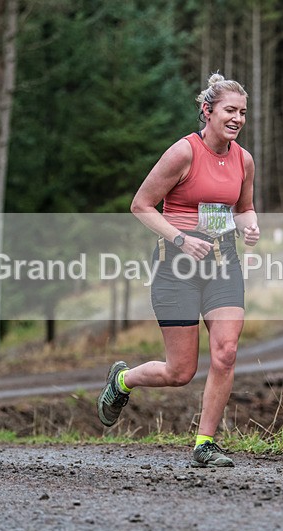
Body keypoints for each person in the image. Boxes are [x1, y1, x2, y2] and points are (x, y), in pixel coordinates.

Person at [97, 73, 259, 468]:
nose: (237, 118)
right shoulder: (183, 153)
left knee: (226, 352)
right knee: (180, 371)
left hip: (223, 264)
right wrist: (181, 239)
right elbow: (141, 205)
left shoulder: (244, 159)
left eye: (242, 112)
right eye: (229, 110)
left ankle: (205, 443)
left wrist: (250, 226)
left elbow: (243, 209)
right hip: (177, 267)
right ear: (208, 111)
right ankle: (122, 381)